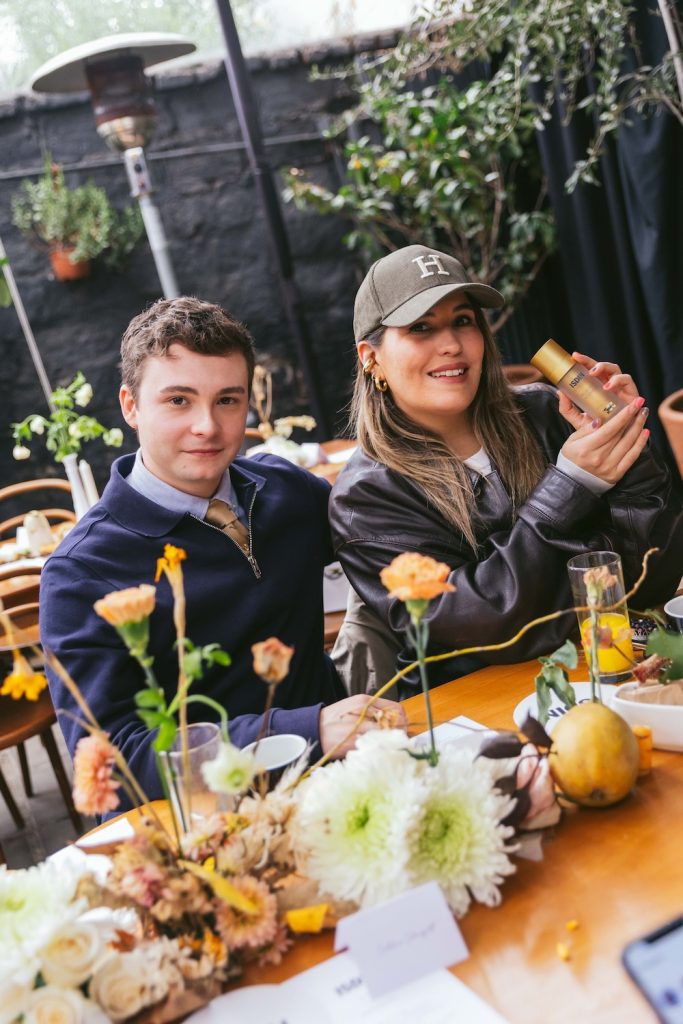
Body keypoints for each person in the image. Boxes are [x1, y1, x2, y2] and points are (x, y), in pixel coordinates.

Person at [40, 296, 404, 803]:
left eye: (227, 400)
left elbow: (390, 539)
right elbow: (112, 759)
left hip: (346, 784)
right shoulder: (81, 572)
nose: (207, 426)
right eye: (178, 401)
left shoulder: (287, 490)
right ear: (130, 407)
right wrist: (307, 729)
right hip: (208, 822)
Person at [329, 244, 683, 695]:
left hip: (606, 671)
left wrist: (627, 454)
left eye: (463, 320)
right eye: (421, 328)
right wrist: (572, 486)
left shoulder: (543, 413)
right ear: (370, 357)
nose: (452, 345)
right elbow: (481, 623)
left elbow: (653, 578)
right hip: (475, 709)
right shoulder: (365, 497)